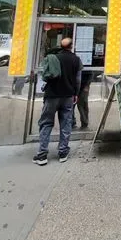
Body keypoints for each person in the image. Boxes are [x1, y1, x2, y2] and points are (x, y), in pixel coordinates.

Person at [33, 38, 82, 166]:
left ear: (60, 45)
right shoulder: (76, 60)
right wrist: (76, 94)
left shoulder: (53, 57)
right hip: (68, 95)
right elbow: (78, 80)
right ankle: (63, 152)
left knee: (46, 123)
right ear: (72, 46)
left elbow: (45, 74)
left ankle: (42, 154)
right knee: (66, 123)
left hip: (52, 94)